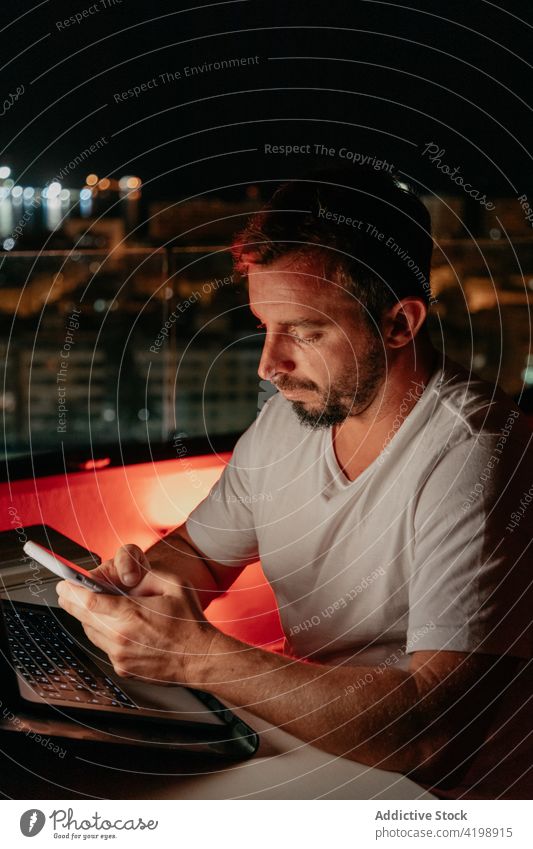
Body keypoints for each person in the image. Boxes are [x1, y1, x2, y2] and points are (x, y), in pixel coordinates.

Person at [57, 170, 533, 799]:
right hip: (314, 745)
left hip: (435, 791)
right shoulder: (291, 416)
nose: (269, 364)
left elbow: (432, 731)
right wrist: (129, 587)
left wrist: (193, 655)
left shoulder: (477, 453)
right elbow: (200, 553)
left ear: (399, 324)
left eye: (305, 333)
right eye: (264, 326)